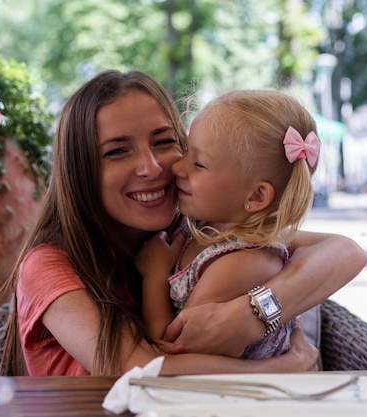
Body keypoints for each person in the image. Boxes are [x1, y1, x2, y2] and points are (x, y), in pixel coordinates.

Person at [0, 69, 367, 377]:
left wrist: (252, 314)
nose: (154, 167)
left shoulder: (194, 232)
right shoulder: (47, 265)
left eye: (164, 142)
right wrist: (282, 368)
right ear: (80, 171)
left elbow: (346, 252)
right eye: (117, 151)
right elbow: (135, 367)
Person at [137, 89, 320, 360]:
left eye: (198, 164)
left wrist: (154, 274)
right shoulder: (202, 227)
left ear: (256, 196)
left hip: (243, 398)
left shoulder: (244, 262)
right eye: (186, 152)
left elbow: (172, 345)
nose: (177, 168)